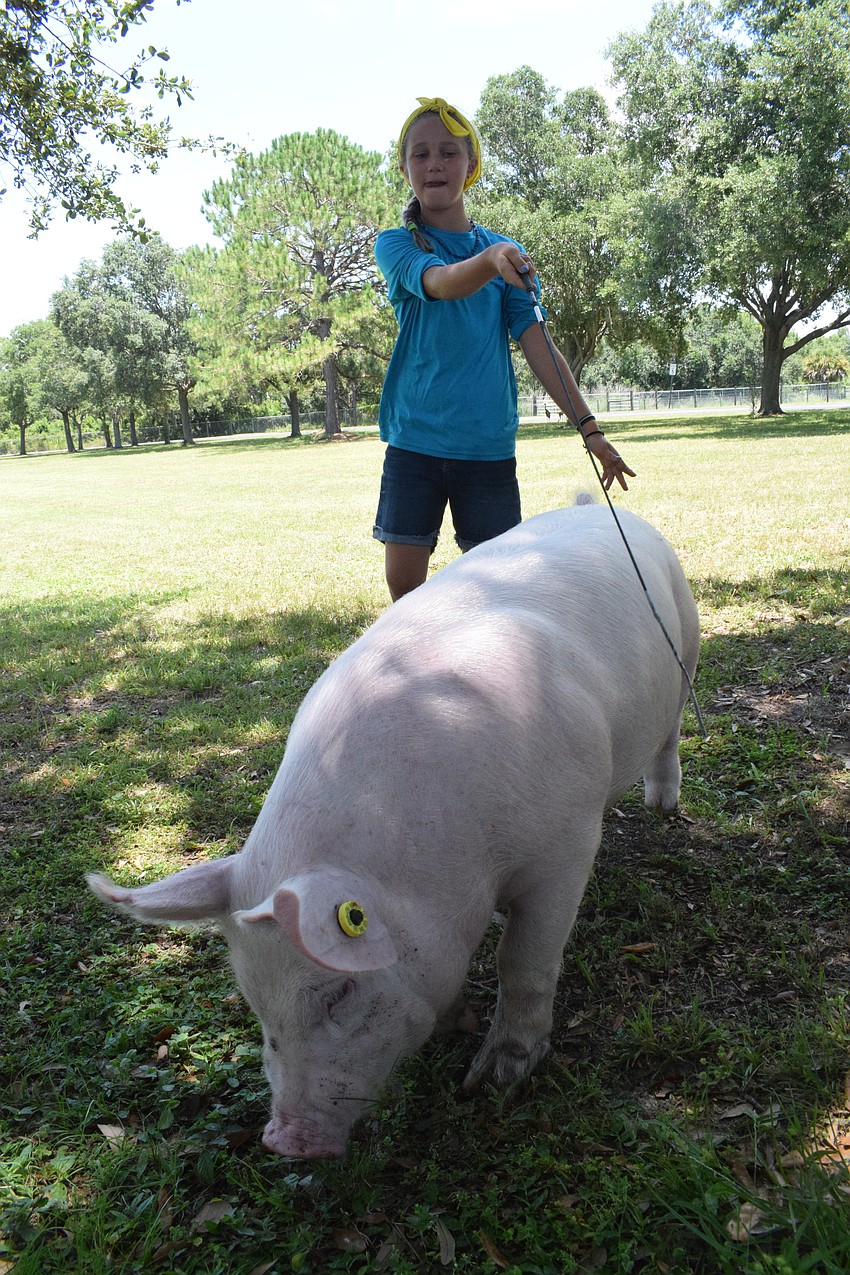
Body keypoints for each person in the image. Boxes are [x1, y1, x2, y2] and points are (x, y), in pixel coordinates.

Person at [373, 95, 636, 601]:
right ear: (405, 167)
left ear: (470, 166)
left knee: (498, 592)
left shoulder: (504, 252)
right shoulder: (396, 244)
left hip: (487, 448)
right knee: (405, 592)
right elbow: (442, 282)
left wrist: (592, 431)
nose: (434, 164)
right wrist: (492, 260)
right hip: (414, 445)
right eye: (420, 153)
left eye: (449, 152)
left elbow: (540, 345)